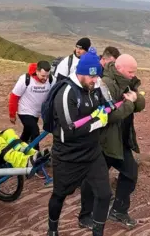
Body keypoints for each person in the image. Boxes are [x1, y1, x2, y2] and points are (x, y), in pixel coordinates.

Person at [47, 52, 111, 236]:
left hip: (92, 153)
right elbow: (70, 129)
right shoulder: (66, 93)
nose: (95, 80)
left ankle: (97, 233)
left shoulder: (95, 87)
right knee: (60, 194)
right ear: (81, 73)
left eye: (97, 75)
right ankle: (52, 230)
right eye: (92, 76)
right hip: (68, 155)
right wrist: (99, 122)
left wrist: (121, 103)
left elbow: (108, 106)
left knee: (104, 194)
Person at [80, 54, 145, 231]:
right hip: (103, 142)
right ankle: (85, 215)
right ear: (119, 68)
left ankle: (118, 210)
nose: (133, 74)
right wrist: (130, 103)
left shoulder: (127, 82)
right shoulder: (105, 84)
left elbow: (140, 104)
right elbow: (109, 116)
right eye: (131, 71)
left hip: (120, 140)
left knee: (130, 173)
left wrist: (134, 99)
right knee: (92, 180)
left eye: (134, 72)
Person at [9, 61, 55, 151]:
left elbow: (54, 95)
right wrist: (12, 114)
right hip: (24, 110)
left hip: (37, 112)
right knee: (35, 131)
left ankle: (17, 151)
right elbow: (14, 96)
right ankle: (35, 154)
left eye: (47, 75)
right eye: (43, 76)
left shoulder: (51, 79)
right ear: (37, 71)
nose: (45, 78)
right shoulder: (25, 79)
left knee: (27, 133)